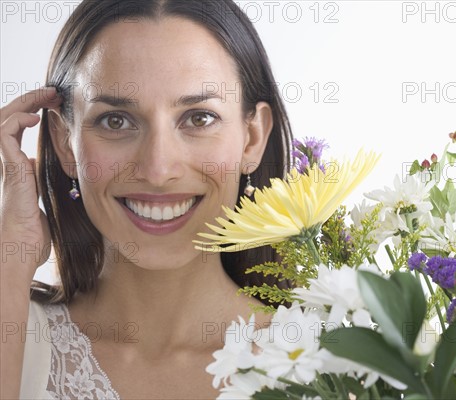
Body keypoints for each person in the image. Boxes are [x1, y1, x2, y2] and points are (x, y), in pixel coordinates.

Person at [0, 0, 293, 398]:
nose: (157, 170)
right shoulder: (19, 336)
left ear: (253, 138)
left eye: (198, 118)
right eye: (115, 120)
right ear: (63, 141)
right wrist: (12, 255)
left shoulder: (329, 359)